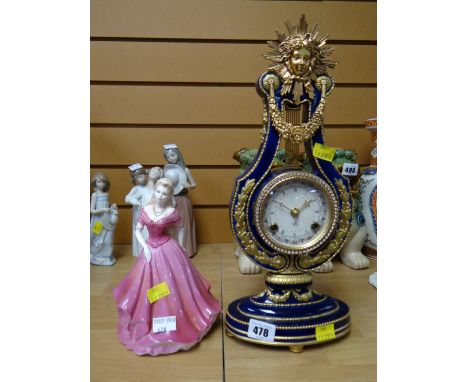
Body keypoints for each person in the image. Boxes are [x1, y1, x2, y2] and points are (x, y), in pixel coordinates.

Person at [113, 178, 221, 356]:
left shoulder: (171, 212)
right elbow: (137, 230)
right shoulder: (146, 209)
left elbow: (181, 228)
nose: (160, 196)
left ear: (170, 195)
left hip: (168, 248)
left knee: (173, 285)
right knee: (146, 285)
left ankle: (176, 317)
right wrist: (145, 247)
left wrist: (181, 246)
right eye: (158, 192)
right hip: (150, 250)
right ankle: (148, 317)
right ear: (154, 191)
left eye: (164, 193)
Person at [163, 144, 197, 257]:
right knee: (171, 225)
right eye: (168, 157)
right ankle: (173, 251)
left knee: (183, 225)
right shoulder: (166, 171)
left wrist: (188, 185)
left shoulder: (185, 169)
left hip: (182, 200)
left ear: (178, 154)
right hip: (170, 200)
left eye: (173, 155)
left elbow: (194, 184)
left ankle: (186, 249)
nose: (171, 158)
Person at [125, 164, 147, 257]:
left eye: (141, 176)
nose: (139, 179)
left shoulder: (149, 187)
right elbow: (127, 199)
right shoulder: (135, 188)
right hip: (138, 212)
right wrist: (134, 200)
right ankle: (140, 250)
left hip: (147, 211)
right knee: (139, 229)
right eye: (136, 177)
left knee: (147, 230)